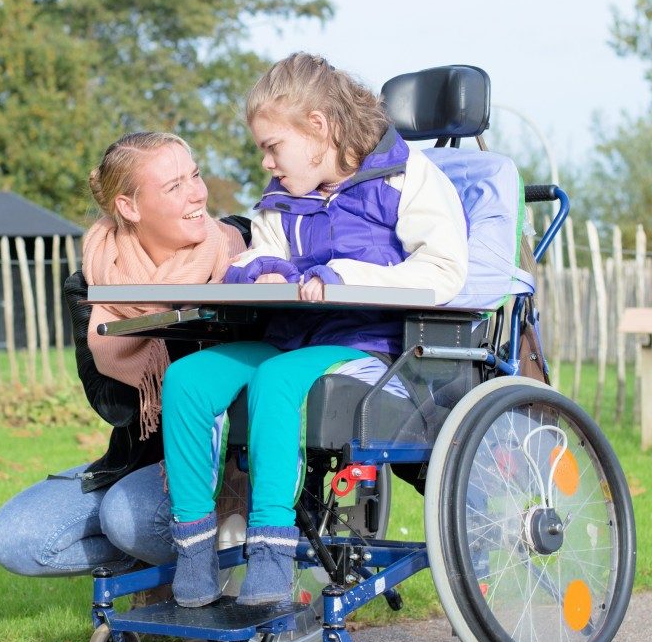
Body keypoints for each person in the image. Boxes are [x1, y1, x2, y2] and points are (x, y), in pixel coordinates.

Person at [161, 53, 470, 608]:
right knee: (188, 379)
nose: (267, 163)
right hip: (292, 339)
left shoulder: (407, 179)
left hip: (371, 350)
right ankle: (193, 554)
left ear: (318, 128)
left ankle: (273, 556)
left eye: (272, 147)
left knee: (278, 379)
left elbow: (444, 273)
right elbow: (267, 255)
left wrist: (343, 275)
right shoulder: (282, 199)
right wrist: (260, 270)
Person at [0, 132, 246, 579]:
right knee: (18, 539)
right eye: (173, 186)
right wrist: (155, 314)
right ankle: (174, 561)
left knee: (127, 518)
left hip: (234, 460)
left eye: (195, 175)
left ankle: (239, 548)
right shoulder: (93, 283)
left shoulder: (240, 254)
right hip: (142, 459)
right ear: (129, 207)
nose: (197, 193)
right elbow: (113, 404)